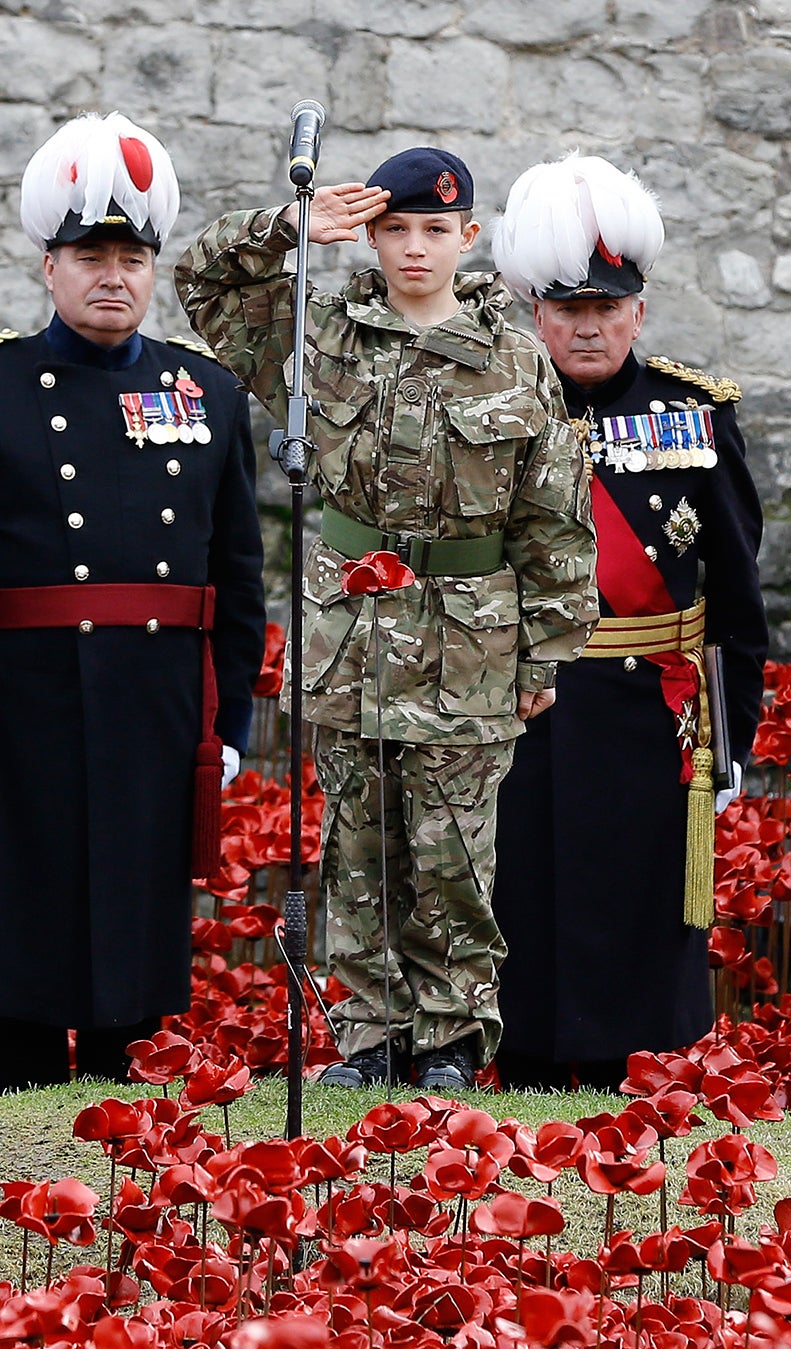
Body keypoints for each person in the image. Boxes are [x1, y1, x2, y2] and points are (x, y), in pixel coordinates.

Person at [177, 146, 596, 1091]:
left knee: (452, 850)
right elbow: (199, 281)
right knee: (357, 850)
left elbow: (553, 519)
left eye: (435, 231)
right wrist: (292, 226)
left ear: (468, 238)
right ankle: (367, 1039)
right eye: (395, 229)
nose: (415, 249)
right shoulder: (316, 334)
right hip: (351, 644)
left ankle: (448, 1038)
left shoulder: (516, 357)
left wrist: (543, 660)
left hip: (470, 646)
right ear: (370, 234)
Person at [0, 113, 266, 1095]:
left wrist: (231, 716)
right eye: (89, 254)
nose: (113, 275)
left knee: (135, 928)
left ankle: (122, 1131)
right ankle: (16, 1121)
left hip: (154, 706)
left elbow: (237, 570)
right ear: (48, 267)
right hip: (24, 705)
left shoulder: (210, 392)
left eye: (131, 256)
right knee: (23, 923)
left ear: (152, 270)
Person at [486, 155, 767, 1090]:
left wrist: (731, 746)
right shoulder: (493, 414)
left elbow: (736, 600)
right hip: (521, 716)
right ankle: (521, 1093)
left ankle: (629, 1110)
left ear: (638, 311)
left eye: (608, 307)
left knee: (637, 928)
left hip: (654, 722)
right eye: (570, 309)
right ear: (538, 314)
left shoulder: (694, 414)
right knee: (522, 913)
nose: (590, 324)